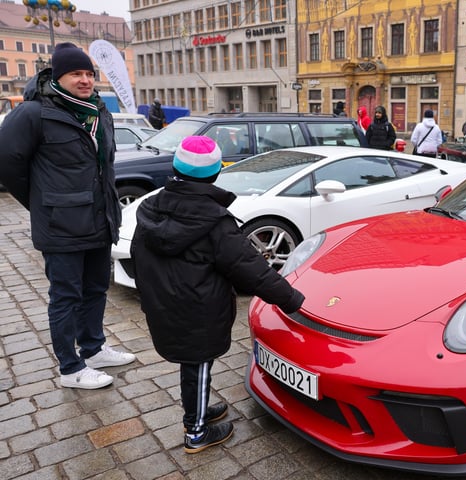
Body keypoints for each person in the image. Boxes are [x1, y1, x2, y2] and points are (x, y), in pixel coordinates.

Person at [131, 136, 305, 453]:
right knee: (197, 366)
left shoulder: (151, 207)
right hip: (199, 309)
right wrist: (292, 299)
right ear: (214, 174)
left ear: (175, 168)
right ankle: (195, 432)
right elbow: (252, 269)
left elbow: (138, 258)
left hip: (165, 304)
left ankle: (199, 407)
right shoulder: (215, 221)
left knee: (196, 366)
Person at [0, 42, 135, 389]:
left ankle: (93, 348)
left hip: (100, 220)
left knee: (95, 290)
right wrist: (43, 202)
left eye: (89, 73)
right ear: (59, 76)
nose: (85, 80)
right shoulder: (34, 113)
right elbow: (8, 164)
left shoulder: (97, 111)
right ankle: (70, 367)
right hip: (62, 227)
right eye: (77, 73)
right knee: (65, 296)